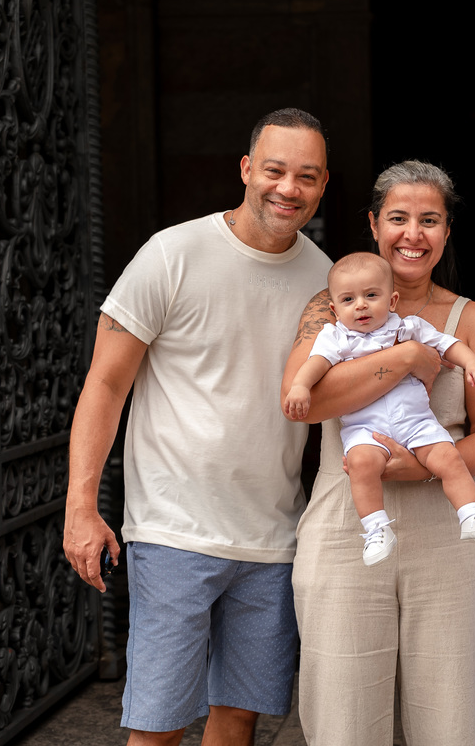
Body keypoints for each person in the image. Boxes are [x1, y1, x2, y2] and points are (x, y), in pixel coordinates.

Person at [62, 108, 333, 745]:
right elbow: (105, 384)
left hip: (273, 539)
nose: (288, 188)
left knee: (238, 720)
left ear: (324, 185)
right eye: (274, 170)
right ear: (246, 169)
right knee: (159, 726)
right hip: (174, 531)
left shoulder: (326, 280)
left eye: (307, 176)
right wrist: (81, 506)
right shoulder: (172, 254)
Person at [283, 160, 475, 745]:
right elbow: (304, 402)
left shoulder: (471, 319)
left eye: (429, 220)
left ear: (447, 231)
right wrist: (407, 358)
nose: (413, 234)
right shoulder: (329, 308)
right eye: (398, 218)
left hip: (449, 534)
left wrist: (419, 468)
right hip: (346, 529)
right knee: (341, 719)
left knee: (446, 718)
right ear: (373, 224)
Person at [283, 251, 475, 565]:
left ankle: (472, 515)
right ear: (334, 310)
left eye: (371, 296)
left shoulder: (406, 327)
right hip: (367, 429)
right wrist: (300, 386)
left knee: (449, 457)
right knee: (361, 464)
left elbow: (446, 343)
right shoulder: (335, 336)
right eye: (348, 300)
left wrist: (472, 362)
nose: (360, 305)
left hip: (416, 423)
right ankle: (376, 528)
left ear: (392, 301)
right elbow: (316, 364)